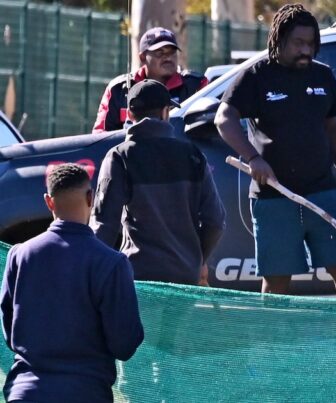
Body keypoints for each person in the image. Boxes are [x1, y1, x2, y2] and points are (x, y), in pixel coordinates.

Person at [215, 4, 336, 298]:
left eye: (311, 44)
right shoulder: (256, 76)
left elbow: (332, 128)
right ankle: (274, 344)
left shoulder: (322, 77)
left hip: (324, 192)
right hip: (275, 196)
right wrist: (253, 158)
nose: (306, 51)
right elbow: (224, 118)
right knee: (277, 281)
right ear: (279, 39)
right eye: (298, 43)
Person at [0, 163, 144, 402]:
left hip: (25, 392)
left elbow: (9, 330)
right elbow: (124, 344)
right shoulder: (112, 263)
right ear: (91, 198)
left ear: (48, 201)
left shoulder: (19, 255)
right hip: (86, 393)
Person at [91, 79, 226, 285]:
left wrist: (94, 277)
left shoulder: (120, 157)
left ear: (129, 115)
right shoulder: (192, 155)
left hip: (139, 279)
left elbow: (104, 226)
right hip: (185, 280)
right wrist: (196, 259)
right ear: (165, 112)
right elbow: (215, 221)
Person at [92, 27, 208, 133]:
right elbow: (100, 135)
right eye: (160, 52)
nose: (168, 57)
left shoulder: (196, 85)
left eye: (172, 52)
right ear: (142, 57)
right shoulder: (119, 89)